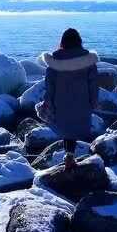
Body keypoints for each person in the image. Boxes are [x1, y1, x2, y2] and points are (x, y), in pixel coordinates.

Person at [41, 28, 99, 169]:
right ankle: (70, 156)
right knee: (74, 130)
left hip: (61, 103)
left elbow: (50, 86)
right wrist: (94, 102)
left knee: (66, 130)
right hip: (82, 102)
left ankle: (69, 156)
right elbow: (93, 84)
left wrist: (48, 102)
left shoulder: (54, 63)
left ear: (63, 42)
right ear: (79, 41)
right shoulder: (88, 61)